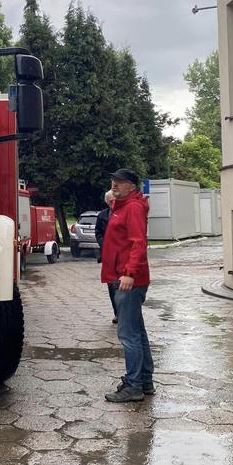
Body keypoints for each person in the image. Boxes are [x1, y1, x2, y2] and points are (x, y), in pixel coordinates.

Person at [100, 168, 154, 403]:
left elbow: (138, 243)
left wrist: (129, 274)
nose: (114, 184)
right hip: (120, 277)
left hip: (127, 281)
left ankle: (134, 386)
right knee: (138, 333)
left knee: (128, 335)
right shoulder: (122, 206)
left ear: (132, 186)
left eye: (120, 182)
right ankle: (145, 381)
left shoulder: (132, 208)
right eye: (113, 180)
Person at [95, 190, 118, 324]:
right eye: (110, 201)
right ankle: (117, 313)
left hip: (121, 254)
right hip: (107, 255)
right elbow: (98, 232)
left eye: (114, 200)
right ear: (107, 201)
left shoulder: (123, 213)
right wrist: (104, 244)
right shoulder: (102, 215)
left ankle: (124, 312)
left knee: (121, 285)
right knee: (111, 285)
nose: (113, 202)